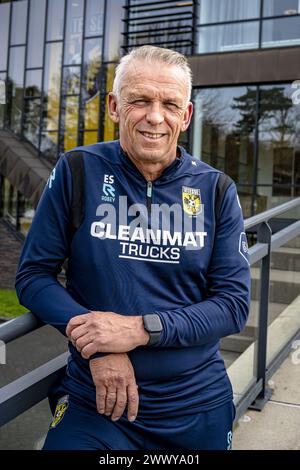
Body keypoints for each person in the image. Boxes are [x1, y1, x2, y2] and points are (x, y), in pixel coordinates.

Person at [15, 45, 250, 450]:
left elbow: (232, 305)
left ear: (186, 115)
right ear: (113, 106)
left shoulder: (216, 189)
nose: (155, 117)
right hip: (98, 404)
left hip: (194, 404)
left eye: (169, 104)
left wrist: (137, 330)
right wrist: (95, 345)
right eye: (139, 100)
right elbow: (33, 276)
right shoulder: (77, 169)